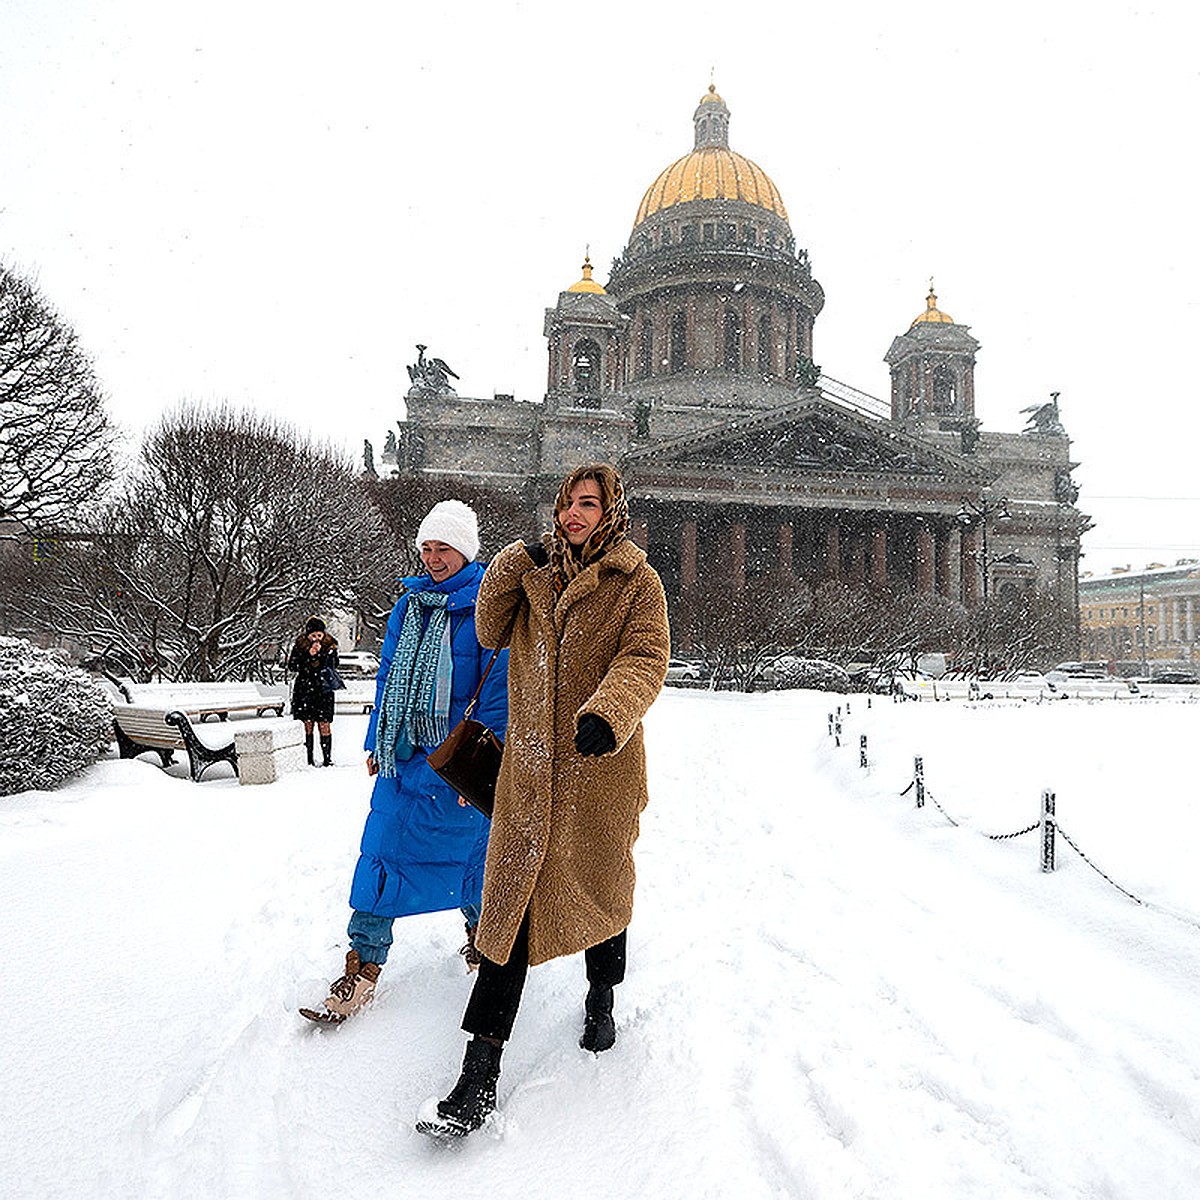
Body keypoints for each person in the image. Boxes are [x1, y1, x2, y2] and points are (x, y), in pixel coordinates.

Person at [417, 463, 670, 1137]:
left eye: (588, 504)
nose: (574, 515)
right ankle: (479, 1073)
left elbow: (646, 658)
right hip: (529, 773)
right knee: (508, 915)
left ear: (610, 510)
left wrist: (609, 711)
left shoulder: (637, 582)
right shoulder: (534, 576)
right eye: (567, 504)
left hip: (598, 771)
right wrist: (508, 563)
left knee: (602, 891)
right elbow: (488, 631)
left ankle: (601, 993)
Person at [301, 500, 508, 1024]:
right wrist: (377, 739)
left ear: (466, 550)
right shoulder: (406, 607)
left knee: (469, 865)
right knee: (380, 854)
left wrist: (485, 766)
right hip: (405, 754)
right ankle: (363, 966)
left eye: (444, 548)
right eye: (427, 548)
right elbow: (388, 675)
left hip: (456, 761)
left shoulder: (488, 606)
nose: (434, 558)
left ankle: (482, 944)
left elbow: (499, 693)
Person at [288, 617, 339, 767]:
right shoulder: (300, 646)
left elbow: (334, 665)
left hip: (323, 690)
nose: (316, 638)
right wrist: (308, 655)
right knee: (307, 722)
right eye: (313, 635)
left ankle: (327, 758)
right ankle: (308, 758)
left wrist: (322, 654)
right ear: (307, 635)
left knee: (324, 723)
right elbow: (293, 665)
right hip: (305, 689)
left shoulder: (330, 646)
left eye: (319, 635)